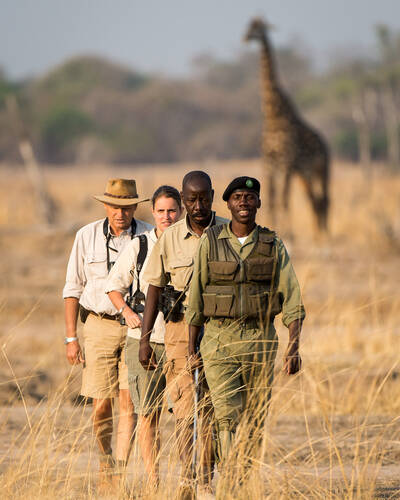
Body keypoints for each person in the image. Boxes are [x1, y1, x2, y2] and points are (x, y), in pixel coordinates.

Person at [186, 176, 305, 483]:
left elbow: (292, 299)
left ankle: (241, 479)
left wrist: (293, 347)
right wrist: (191, 351)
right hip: (218, 340)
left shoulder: (272, 244)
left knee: (254, 418)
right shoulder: (210, 242)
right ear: (227, 203)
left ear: (258, 204)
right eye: (237, 197)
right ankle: (229, 483)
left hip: (260, 340)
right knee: (226, 415)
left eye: (250, 198)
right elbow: (196, 300)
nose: (243, 202)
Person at [140, 171, 228, 496]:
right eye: (191, 199)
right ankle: (187, 480)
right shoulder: (171, 237)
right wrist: (146, 339)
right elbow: (154, 286)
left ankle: (206, 480)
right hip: (178, 331)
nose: (198, 205)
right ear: (182, 198)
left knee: (212, 408)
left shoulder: (229, 233)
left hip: (221, 331)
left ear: (213, 196)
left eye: (204, 198)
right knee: (184, 408)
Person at [62, 178, 152, 492]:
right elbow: (72, 288)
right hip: (97, 325)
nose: (121, 213)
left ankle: (119, 475)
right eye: (115, 206)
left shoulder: (149, 235)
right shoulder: (86, 236)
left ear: (135, 207)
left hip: (135, 327)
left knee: (129, 402)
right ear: (105, 205)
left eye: (127, 207)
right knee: (101, 404)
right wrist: (71, 337)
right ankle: (105, 461)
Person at [105, 185, 183, 488]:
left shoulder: (192, 243)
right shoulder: (139, 245)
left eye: (172, 210)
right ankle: (154, 482)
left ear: (181, 211)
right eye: (161, 211)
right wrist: (127, 312)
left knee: (183, 415)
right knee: (147, 415)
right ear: (153, 212)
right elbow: (114, 287)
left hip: (180, 340)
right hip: (143, 342)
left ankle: (185, 481)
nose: (167, 216)